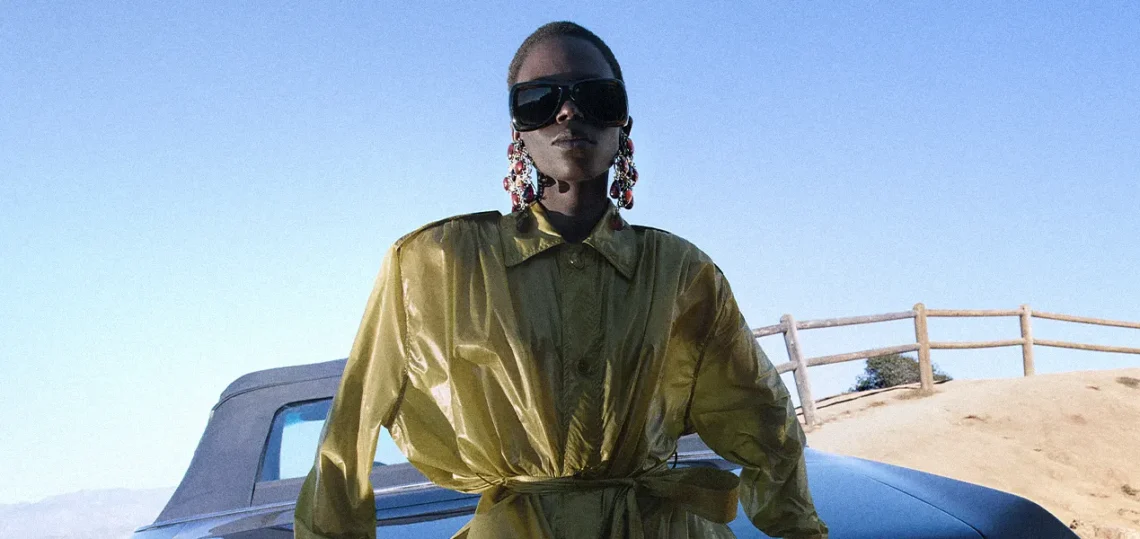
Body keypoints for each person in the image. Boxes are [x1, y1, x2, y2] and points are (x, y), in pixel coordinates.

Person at [294, 21, 828, 539]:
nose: (568, 112)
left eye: (595, 96)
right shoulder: (433, 264)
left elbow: (765, 420)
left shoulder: (682, 273)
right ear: (518, 130)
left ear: (623, 121)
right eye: (539, 100)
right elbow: (351, 426)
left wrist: (797, 527)